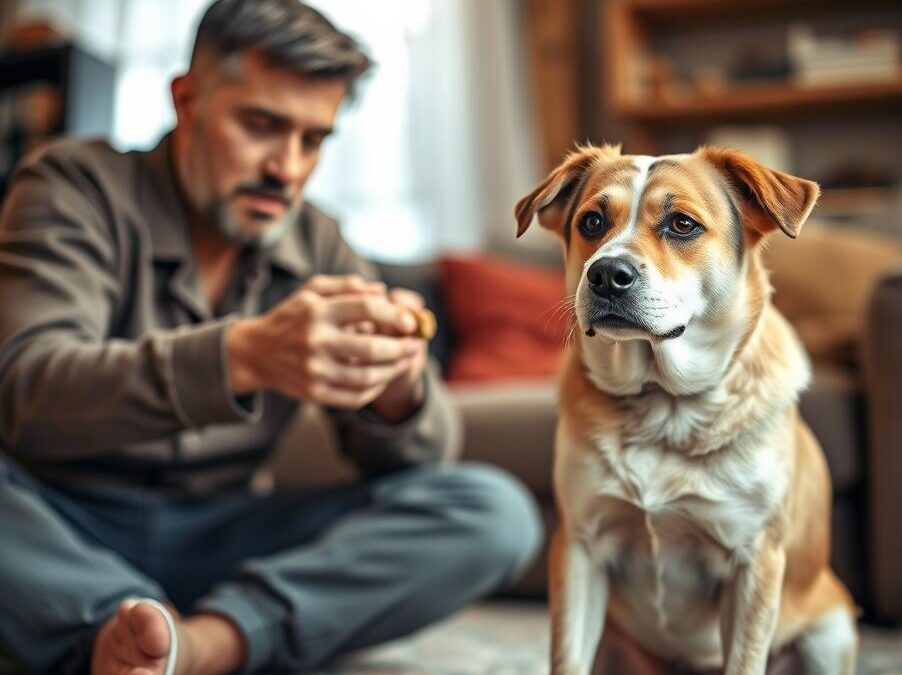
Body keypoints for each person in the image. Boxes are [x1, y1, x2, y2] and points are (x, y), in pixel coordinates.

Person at [0, 1, 543, 673]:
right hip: (60, 524)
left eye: (313, 140)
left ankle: (201, 647)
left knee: (491, 510)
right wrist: (243, 355)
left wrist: (398, 391)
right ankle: (114, 622)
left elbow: (414, 465)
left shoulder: (318, 240)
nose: (286, 168)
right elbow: (27, 395)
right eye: (262, 125)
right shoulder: (72, 185)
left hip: (226, 534)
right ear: (187, 100)